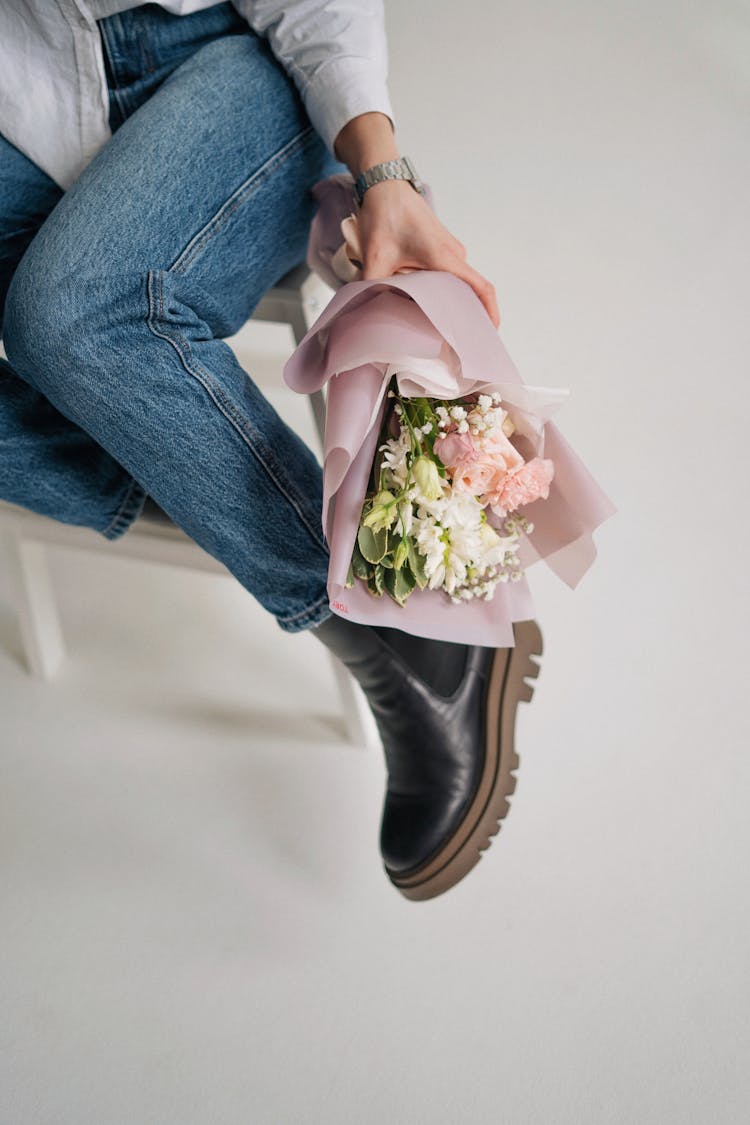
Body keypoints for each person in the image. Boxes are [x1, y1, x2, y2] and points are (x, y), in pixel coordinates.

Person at [0, 0, 541, 901]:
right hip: (22, 88)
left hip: (231, 55)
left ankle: (399, 631)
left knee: (70, 318)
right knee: (74, 326)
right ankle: (178, 449)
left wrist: (384, 172)